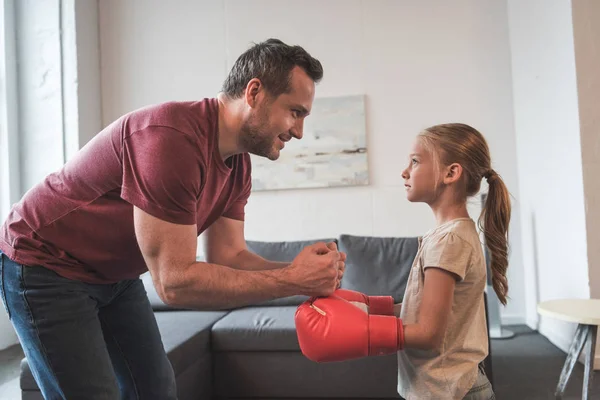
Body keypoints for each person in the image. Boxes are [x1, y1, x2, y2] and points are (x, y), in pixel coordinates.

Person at [0, 38, 346, 400]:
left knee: (154, 389)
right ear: (254, 92)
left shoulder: (238, 164)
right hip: (45, 264)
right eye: (295, 112)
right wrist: (292, 280)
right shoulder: (172, 139)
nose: (299, 131)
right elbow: (175, 282)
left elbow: (231, 258)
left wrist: (304, 274)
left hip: (113, 276)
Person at [296, 123, 511, 400]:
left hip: (450, 391)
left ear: (451, 173)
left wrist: (368, 333)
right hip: (443, 386)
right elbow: (424, 313)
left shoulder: (450, 241)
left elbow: (429, 334)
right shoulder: (447, 235)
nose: (404, 171)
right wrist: (366, 308)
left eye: (415, 161)